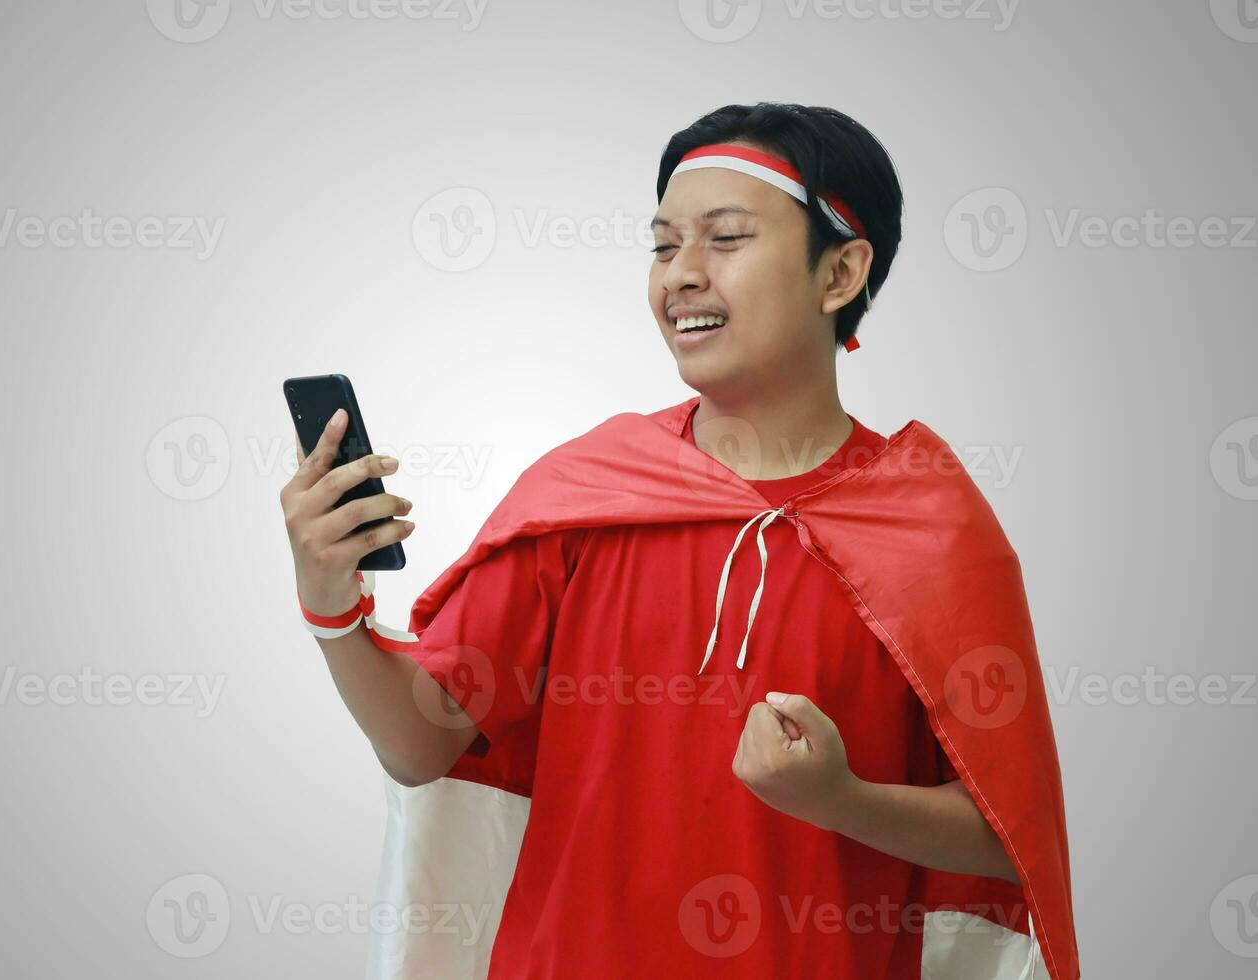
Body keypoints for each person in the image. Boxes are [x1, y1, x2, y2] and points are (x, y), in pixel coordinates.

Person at [282, 102, 1078, 979]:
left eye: (726, 239)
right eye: (663, 246)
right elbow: (419, 742)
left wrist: (841, 802)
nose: (680, 276)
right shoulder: (585, 495)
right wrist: (332, 607)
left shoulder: (931, 531)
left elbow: (1011, 837)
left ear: (841, 272)